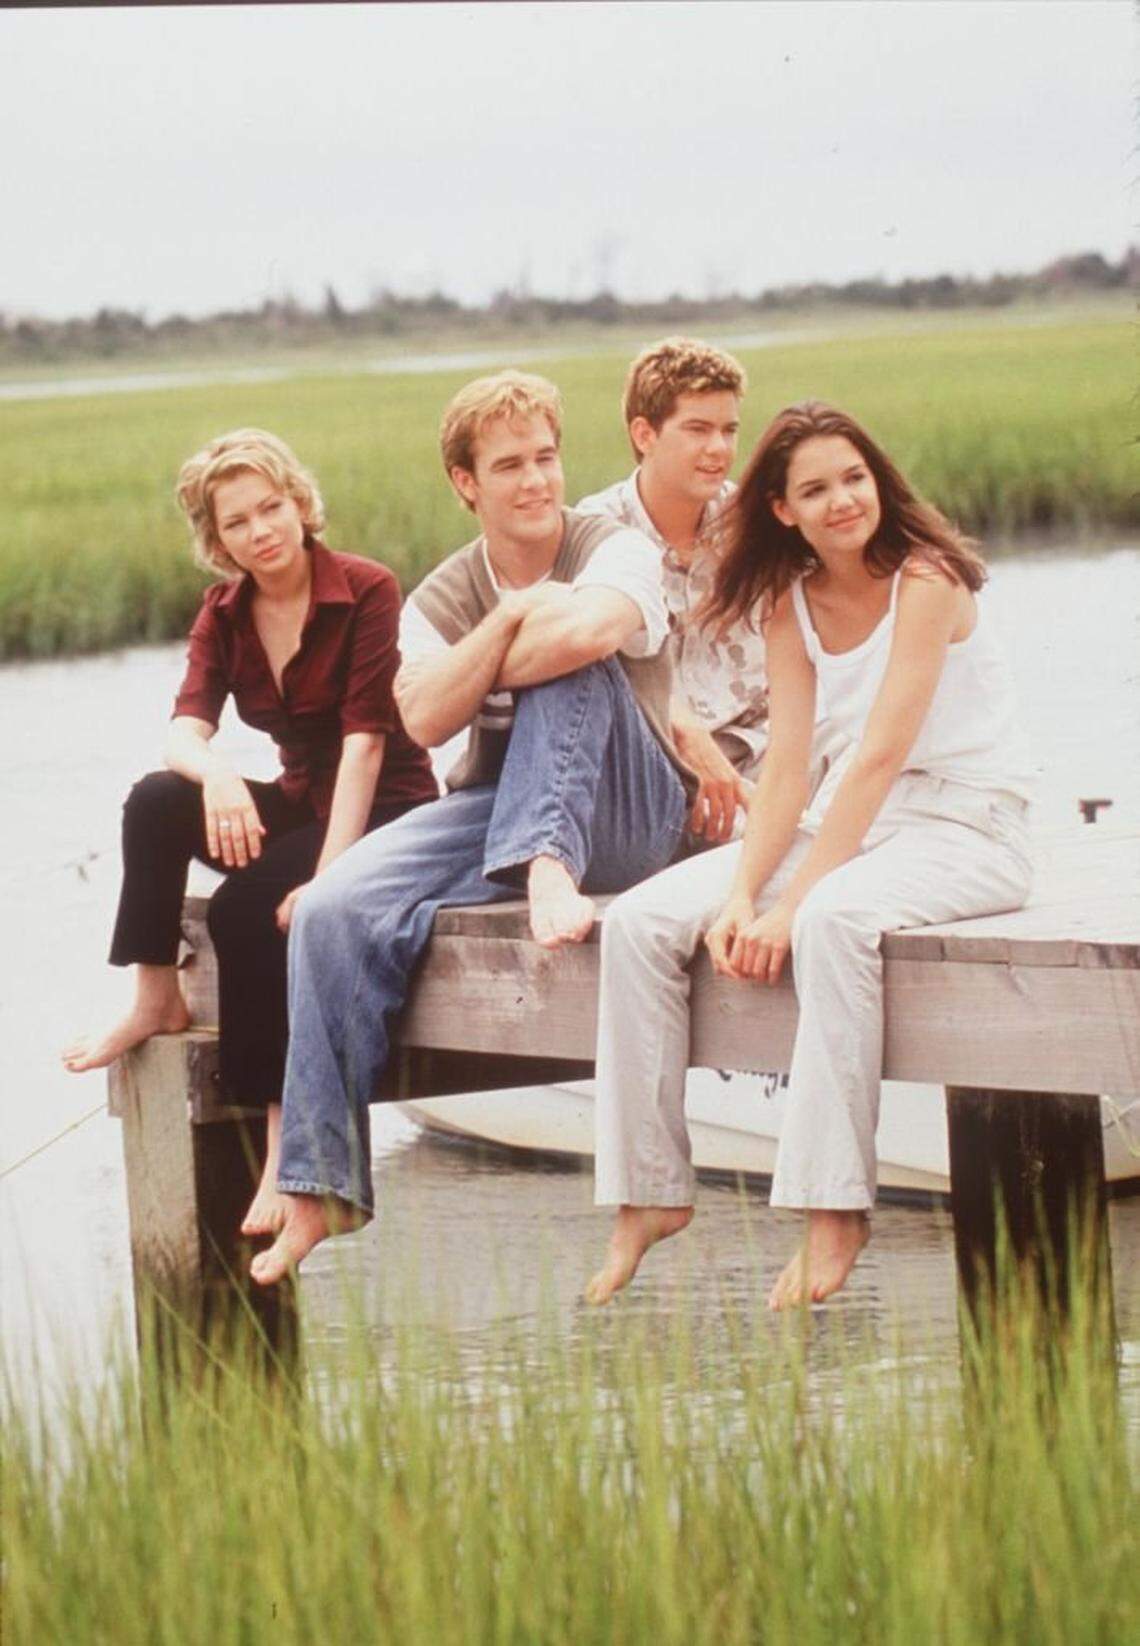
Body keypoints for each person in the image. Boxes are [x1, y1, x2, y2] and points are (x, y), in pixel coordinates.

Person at [585, 401, 1035, 1310]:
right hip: (845, 822)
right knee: (636, 922)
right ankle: (646, 1191)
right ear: (783, 510)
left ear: (880, 480)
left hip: (965, 827)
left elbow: (878, 752)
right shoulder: (786, 601)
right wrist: (745, 895)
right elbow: (788, 766)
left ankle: (835, 1208)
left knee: (831, 919)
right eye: (816, 489)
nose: (842, 501)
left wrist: (790, 907)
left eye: (854, 478)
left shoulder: (930, 579)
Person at [249, 370, 693, 1286]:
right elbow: (419, 721)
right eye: (509, 466)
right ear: (466, 483)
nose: (536, 481)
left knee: (579, 660)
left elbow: (585, 640)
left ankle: (545, 864)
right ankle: (320, 1185)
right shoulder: (442, 596)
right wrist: (510, 614)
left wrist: (497, 653)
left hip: (634, 810)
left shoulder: (614, 546)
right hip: (497, 805)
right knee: (333, 907)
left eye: (546, 458)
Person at [62, 429, 438, 1235]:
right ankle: (155, 997)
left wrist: (327, 878)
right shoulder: (224, 612)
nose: (260, 530)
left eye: (271, 508)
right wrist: (223, 775)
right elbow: (182, 732)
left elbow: (366, 743)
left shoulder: (366, 589)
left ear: (300, 504)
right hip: (305, 803)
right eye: (237, 522)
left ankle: (282, 1147)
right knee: (157, 800)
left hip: (387, 812)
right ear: (217, 540)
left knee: (247, 910)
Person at [577, 337, 768, 848]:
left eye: (729, 430)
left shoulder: (755, 525)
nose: (720, 449)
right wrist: (688, 736)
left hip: (767, 755)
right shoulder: (596, 531)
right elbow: (600, 670)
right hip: (657, 771)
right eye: (698, 430)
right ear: (645, 434)